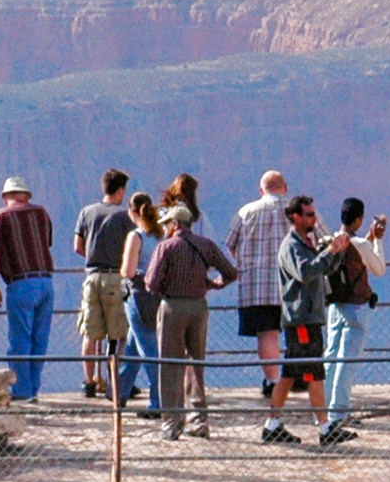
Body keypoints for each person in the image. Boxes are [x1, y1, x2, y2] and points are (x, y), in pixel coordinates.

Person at [142, 203, 236, 438]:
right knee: (197, 363)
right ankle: (199, 422)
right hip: (199, 307)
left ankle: (172, 424)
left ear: (174, 225)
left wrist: (168, 287)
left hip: (173, 306)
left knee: (170, 364)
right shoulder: (206, 245)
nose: (164, 229)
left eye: (166, 225)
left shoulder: (166, 247)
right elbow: (231, 272)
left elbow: (151, 283)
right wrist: (213, 284)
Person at [265, 194, 332, 444]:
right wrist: (329, 254)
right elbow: (305, 272)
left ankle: (273, 424)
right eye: (310, 214)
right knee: (314, 371)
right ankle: (325, 428)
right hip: (301, 319)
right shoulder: (291, 246)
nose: (314, 218)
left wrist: (334, 253)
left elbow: (320, 269)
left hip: (308, 317)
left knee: (291, 372)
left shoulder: (306, 243)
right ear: (296, 217)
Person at [320, 198, 384, 444]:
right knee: (347, 361)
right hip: (357, 307)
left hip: (335, 305)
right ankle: (340, 412)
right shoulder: (360, 244)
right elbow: (378, 268)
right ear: (359, 219)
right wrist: (377, 240)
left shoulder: (331, 240)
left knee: (331, 357)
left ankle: (324, 411)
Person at [0, 175, 56, 400]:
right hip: (46, 282)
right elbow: (45, 243)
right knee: (40, 339)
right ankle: (33, 388)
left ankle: (22, 391)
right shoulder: (41, 213)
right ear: (26, 196)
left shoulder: (0, 217)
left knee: (20, 340)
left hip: (20, 283)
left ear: (6, 197)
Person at [69, 168, 135, 399]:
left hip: (92, 277)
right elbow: (132, 248)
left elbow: (77, 245)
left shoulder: (86, 212)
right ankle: (114, 383)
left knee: (90, 333)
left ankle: (89, 383)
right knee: (117, 334)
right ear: (120, 191)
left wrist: (93, 255)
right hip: (116, 278)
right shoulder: (125, 216)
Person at [225, 171, 290, 398]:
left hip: (257, 286)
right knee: (300, 332)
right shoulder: (299, 210)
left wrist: (247, 262)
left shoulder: (246, 212)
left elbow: (230, 246)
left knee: (267, 334)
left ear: (261, 190)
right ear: (285, 187)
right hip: (294, 285)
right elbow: (322, 240)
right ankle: (300, 378)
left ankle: (273, 381)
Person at [115, 191, 165, 416]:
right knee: (134, 347)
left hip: (137, 295)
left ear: (132, 212)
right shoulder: (160, 234)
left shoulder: (136, 236)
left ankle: (159, 403)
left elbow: (128, 270)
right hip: (157, 295)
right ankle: (119, 392)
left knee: (149, 350)